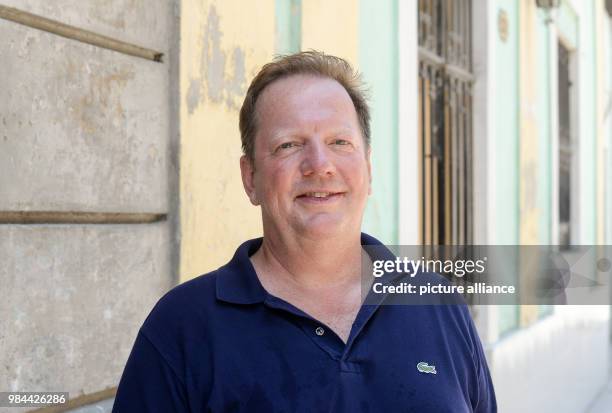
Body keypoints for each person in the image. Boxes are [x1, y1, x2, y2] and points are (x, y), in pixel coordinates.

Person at [112, 51, 496, 412]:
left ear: (368, 168)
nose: (319, 165)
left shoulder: (439, 307)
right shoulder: (181, 327)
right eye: (289, 145)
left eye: (339, 142)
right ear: (251, 179)